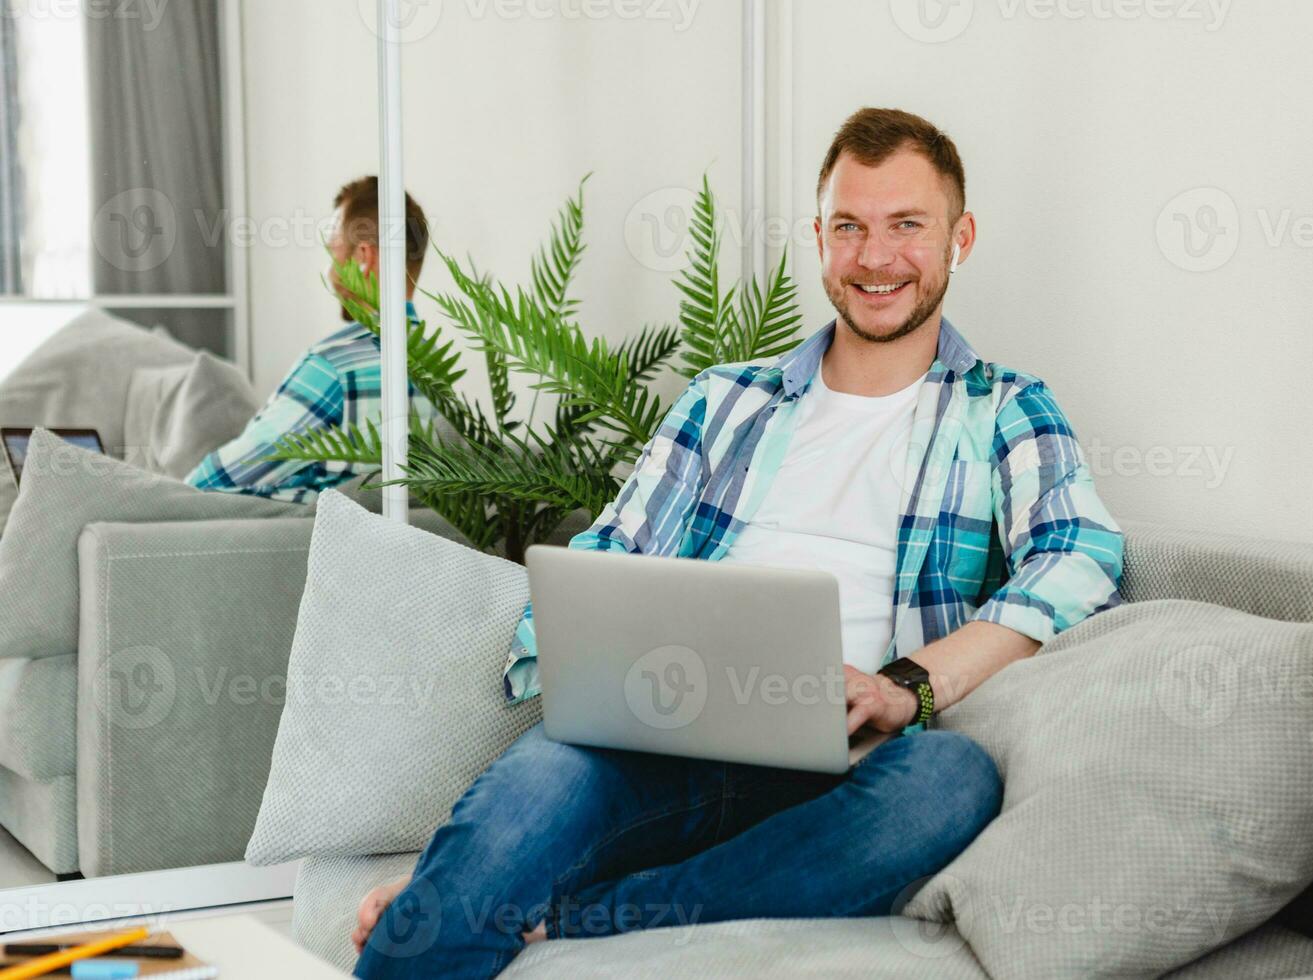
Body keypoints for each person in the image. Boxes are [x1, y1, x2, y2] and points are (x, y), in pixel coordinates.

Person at [352, 108, 1126, 978]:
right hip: (659, 738)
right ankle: (466, 894)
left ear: (960, 237)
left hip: (850, 768)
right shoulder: (724, 402)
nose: (875, 258)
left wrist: (906, 687)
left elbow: (1079, 555)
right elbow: (612, 552)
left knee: (950, 781)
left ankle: (581, 917)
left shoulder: (1006, 408)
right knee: (534, 793)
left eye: (907, 225)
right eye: (849, 227)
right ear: (820, 237)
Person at [186, 177, 435, 503]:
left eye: (334, 254)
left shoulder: (335, 369)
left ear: (364, 258)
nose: (331, 275)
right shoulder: (439, 376)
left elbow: (214, 482)